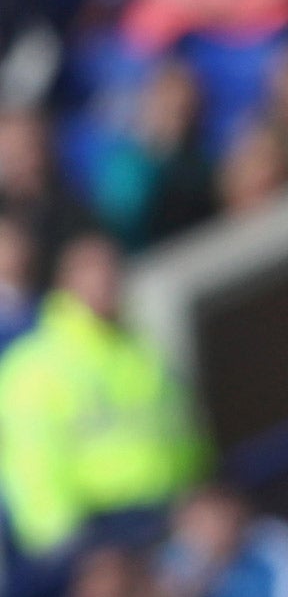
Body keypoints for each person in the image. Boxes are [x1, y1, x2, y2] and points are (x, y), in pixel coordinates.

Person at [0, 233, 206, 559]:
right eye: (91, 269)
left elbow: (184, 437)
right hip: (99, 540)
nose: (106, 278)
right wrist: (70, 552)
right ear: (63, 281)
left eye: (113, 267)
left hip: (176, 521)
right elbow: (34, 475)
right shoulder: (32, 368)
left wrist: (202, 495)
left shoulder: (143, 351)